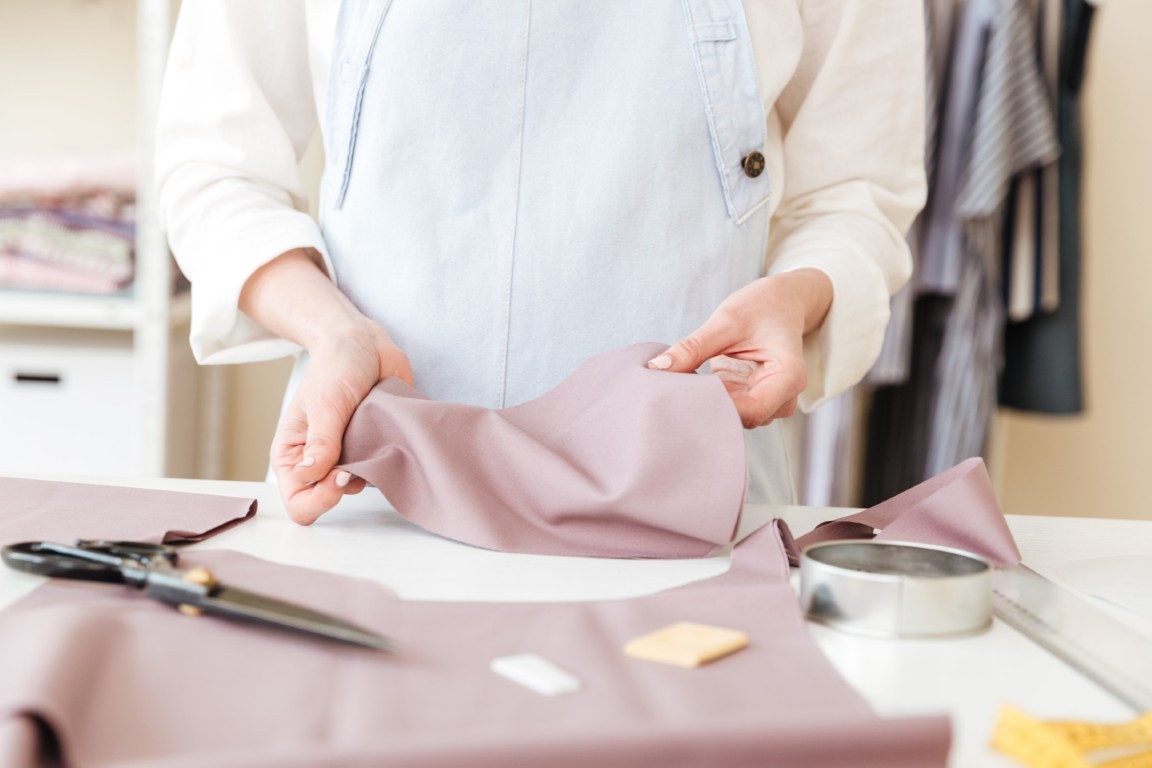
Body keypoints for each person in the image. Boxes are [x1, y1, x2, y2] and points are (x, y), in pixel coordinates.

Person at [156, 1, 925, 525]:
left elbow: (856, 192)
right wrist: (331, 333)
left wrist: (800, 296)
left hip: (693, 512)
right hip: (367, 491)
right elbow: (215, 165)